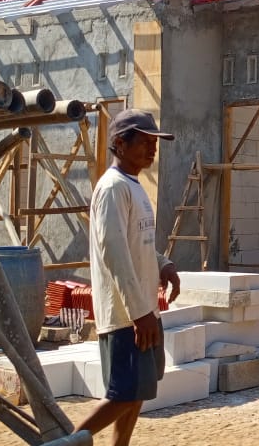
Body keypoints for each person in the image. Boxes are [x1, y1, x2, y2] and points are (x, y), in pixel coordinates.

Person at [75, 109, 182, 446]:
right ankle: (67, 442)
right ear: (120, 143)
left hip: (142, 311)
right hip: (126, 315)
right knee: (123, 394)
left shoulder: (133, 186)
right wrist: (139, 313)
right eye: (145, 143)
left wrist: (164, 264)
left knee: (136, 394)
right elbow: (115, 253)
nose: (152, 150)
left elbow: (137, 244)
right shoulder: (111, 189)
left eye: (155, 143)